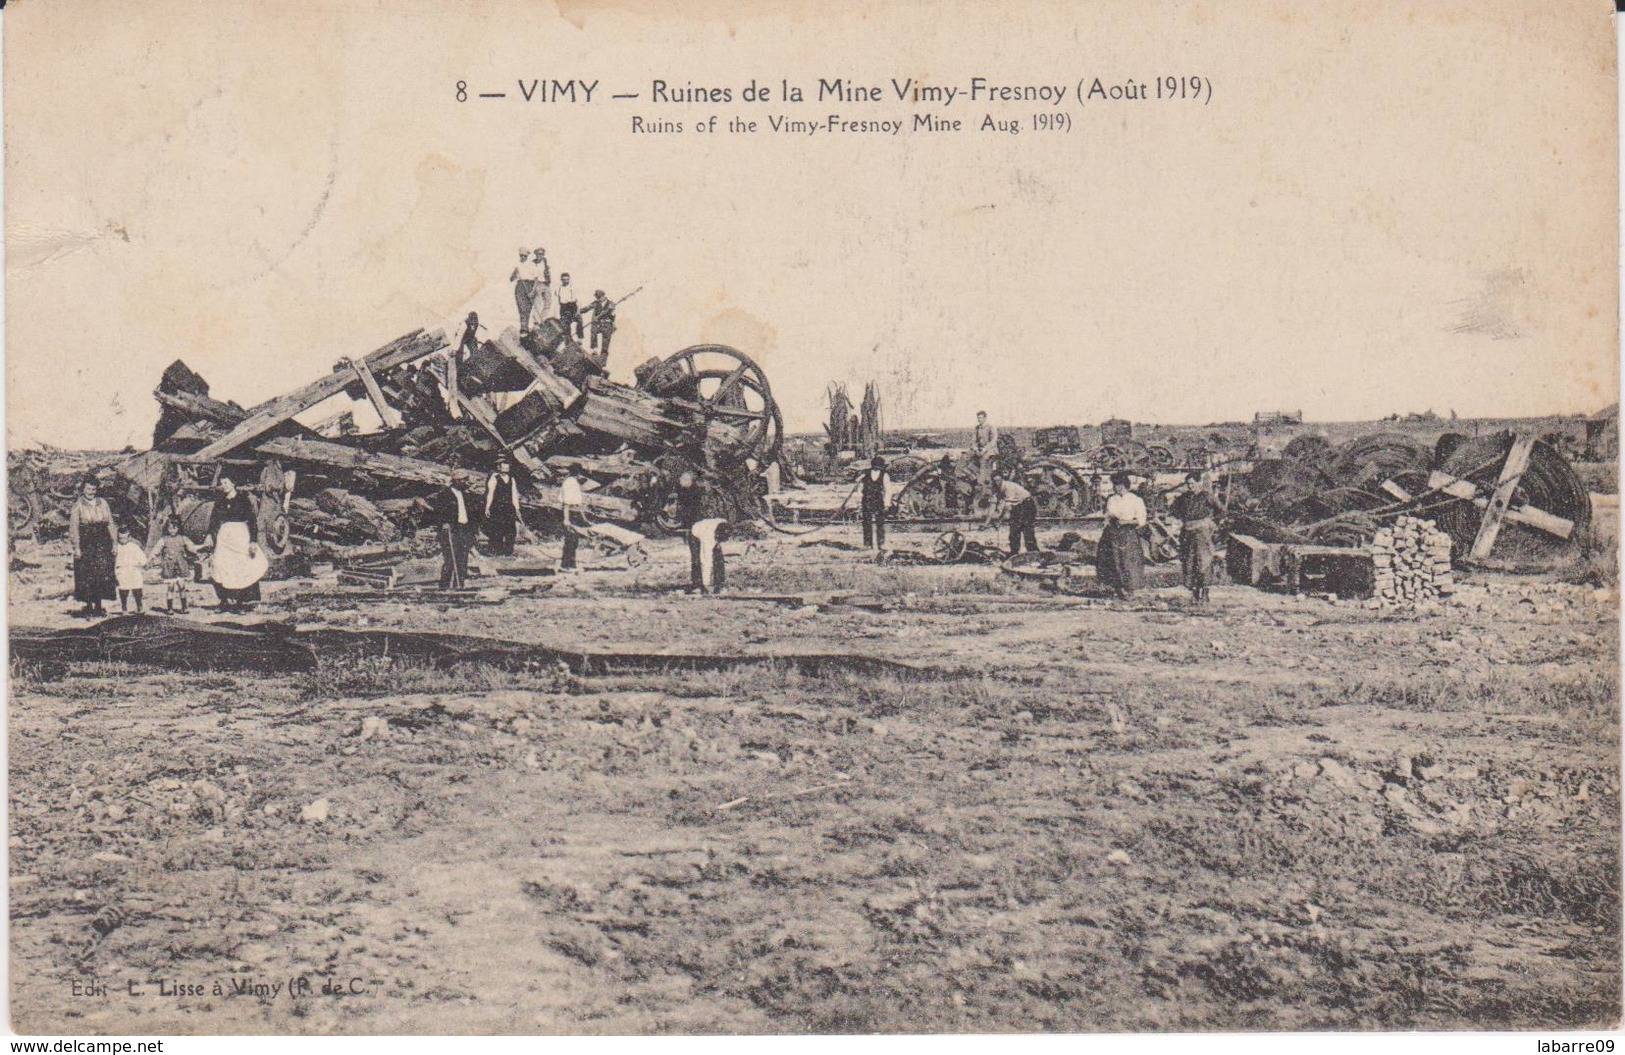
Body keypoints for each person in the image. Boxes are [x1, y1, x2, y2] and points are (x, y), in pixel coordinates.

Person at [207, 478, 266, 611]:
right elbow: (214, 520)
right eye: (222, 483)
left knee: (240, 568)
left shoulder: (243, 500)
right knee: (220, 566)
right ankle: (224, 601)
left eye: (226, 482)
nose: (224, 486)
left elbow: (252, 520)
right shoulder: (220, 501)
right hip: (224, 538)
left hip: (240, 536)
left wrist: (253, 541)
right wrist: (210, 535)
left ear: (234, 483)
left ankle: (240, 603)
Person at [68, 477, 117, 616]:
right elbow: (74, 528)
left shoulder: (103, 503)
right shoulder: (78, 505)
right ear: (83, 489)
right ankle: (89, 606)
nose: (91, 492)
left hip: (102, 542)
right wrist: (77, 547)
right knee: (87, 574)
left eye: (94, 489)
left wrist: (114, 543)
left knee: (102, 573)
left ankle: (99, 605)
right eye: (88, 489)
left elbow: (110, 523)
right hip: (86, 542)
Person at [1097, 472, 1148, 599]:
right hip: (1112, 532)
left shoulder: (1135, 500)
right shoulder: (1112, 499)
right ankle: (1117, 589)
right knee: (1113, 560)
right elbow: (1108, 515)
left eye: (1117, 485)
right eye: (1114, 485)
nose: (1114, 487)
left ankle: (1130, 590)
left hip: (1128, 533)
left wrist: (1127, 521)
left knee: (1128, 561)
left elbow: (1141, 520)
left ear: (1123, 485)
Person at [1170, 472, 1218, 604]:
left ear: (1199, 483)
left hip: (1202, 533)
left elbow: (1221, 511)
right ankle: (1195, 592)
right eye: (1188, 484)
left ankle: (1205, 591)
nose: (1190, 486)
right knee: (1189, 561)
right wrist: (1180, 520)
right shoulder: (1184, 498)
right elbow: (1173, 510)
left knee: (1203, 561)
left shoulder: (1207, 497)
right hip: (1187, 533)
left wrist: (1210, 522)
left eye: (1192, 483)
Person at [434, 471, 481, 589]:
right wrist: (444, 523)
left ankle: (459, 586)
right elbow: (439, 512)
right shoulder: (444, 494)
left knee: (462, 560)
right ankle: (444, 587)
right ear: (457, 481)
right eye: (464, 480)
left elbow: (471, 514)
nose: (466, 482)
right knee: (450, 559)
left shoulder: (466, 495)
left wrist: (474, 531)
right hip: (451, 530)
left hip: (465, 530)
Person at [151, 515, 200, 613]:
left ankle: (184, 607)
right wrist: (151, 558)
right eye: (170, 528)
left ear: (178, 528)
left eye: (174, 528)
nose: (172, 531)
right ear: (167, 528)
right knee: (170, 587)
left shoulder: (183, 538)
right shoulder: (163, 540)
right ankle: (169, 608)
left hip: (181, 566)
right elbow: (156, 550)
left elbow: (192, 548)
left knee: (182, 586)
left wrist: (200, 549)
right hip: (169, 567)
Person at [988, 470, 1040, 555]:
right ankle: (1014, 553)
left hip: (1027, 505)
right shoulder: (996, 488)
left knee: (1027, 531)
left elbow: (1008, 507)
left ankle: (1034, 553)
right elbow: (996, 505)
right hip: (1017, 506)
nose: (997, 483)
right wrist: (988, 521)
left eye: (998, 480)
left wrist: (1000, 521)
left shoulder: (1008, 487)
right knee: (1014, 531)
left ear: (1002, 479)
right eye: (995, 481)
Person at [672, 471, 707, 593]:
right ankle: (703, 583)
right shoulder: (692, 491)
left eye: (683, 479)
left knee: (698, 556)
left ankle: (699, 584)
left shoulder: (693, 493)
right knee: (699, 556)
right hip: (697, 526)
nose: (680, 481)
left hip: (697, 527)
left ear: (690, 481)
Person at [483, 457, 521, 556]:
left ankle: (508, 551)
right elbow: (490, 493)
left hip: (509, 507)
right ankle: (497, 550)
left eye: (507, 469)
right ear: (499, 468)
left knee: (510, 530)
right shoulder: (494, 478)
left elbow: (514, 494)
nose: (505, 471)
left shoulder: (512, 479)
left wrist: (517, 508)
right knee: (497, 529)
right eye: (503, 468)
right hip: (497, 507)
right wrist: (487, 507)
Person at [691, 517, 731, 594]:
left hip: (711, 530)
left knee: (719, 560)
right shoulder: (708, 538)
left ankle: (719, 585)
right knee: (697, 560)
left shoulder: (725, 524)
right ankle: (698, 586)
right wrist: (707, 584)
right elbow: (706, 562)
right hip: (695, 534)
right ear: (716, 535)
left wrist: (718, 543)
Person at [859, 456, 890, 554]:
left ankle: (880, 543)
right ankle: (868, 544)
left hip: (878, 501)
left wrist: (886, 503)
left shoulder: (884, 475)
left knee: (880, 522)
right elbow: (858, 487)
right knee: (867, 522)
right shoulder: (865, 474)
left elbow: (888, 490)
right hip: (867, 501)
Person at [114, 526, 148, 613]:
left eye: (124, 538)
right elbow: (113, 559)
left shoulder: (134, 547)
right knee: (124, 589)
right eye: (120, 538)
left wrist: (144, 564)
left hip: (134, 570)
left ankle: (139, 606)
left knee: (137, 588)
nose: (122, 540)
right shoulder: (116, 547)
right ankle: (124, 608)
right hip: (122, 570)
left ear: (129, 537)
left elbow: (141, 557)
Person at [559, 470, 586, 572]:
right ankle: (566, 565)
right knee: (570, 540)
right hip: (570, 514)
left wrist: (584, 518)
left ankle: (571, 563)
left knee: (574, 541)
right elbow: (566, 504)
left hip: (574, 513)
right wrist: (566, 520)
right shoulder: (570, 483)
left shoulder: (574, 483)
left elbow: (579, 504)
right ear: (578, 474)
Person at [509, 249, 540, 334]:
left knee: (527, 308)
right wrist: (515, 272)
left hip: (530, 285)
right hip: (520, 286)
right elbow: (511, 279)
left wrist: (533, 291)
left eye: (524, 256)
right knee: (521, 307)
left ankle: (525, 327)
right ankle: (523, 328)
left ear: (527, 256)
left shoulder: (532, 265)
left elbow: (536, 279)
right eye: (521, 255)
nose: (522, 257)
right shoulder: (517, 265)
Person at [970, 411, 997, 500]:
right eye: (978, 418)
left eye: (981, 418)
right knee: (968, 461)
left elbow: (993, 440)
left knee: (984, 461)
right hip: (980, 450)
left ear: (985, 418)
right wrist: (975, 448)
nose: (979, 420)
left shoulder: (990, 427)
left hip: (990, 450)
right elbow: (973, 440)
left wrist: (985, 449)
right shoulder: (977, 428)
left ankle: (982, 483)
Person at [587, 289, 616, 361]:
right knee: (593, 330)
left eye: (599, 297)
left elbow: (613, 315)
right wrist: (579, 311)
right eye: (597, 297)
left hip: (607, 324)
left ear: (603, 296)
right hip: (598, 324)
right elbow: (587, 308)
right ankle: (594, 350)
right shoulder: (596, 303)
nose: (598, 299)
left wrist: (613, 326)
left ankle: (602, 361)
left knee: (605, 344)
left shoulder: (611, 304)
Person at [556, 273, 582, 339]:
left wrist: (578, 311)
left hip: (572, 306)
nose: (566, 281)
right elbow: (558, 299)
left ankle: (580, 338)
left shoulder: (572, 287)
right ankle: (569, 340)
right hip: (563, 307)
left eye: (567, 279)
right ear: (561, 280)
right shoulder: (559, 288)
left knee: (579, 321)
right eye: (564, 280)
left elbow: (578, 300)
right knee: (565, 325)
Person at [532, 247, 552, 320]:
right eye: (538, 254)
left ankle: (542, 319)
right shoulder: (533, 263)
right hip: (538, 284)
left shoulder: (545, 261)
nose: (540, 255)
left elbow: (547, 271)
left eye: (542, 254)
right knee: (538, 303)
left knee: (548, 303)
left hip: (546, 283)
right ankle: (536, 320)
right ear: (536, 254)